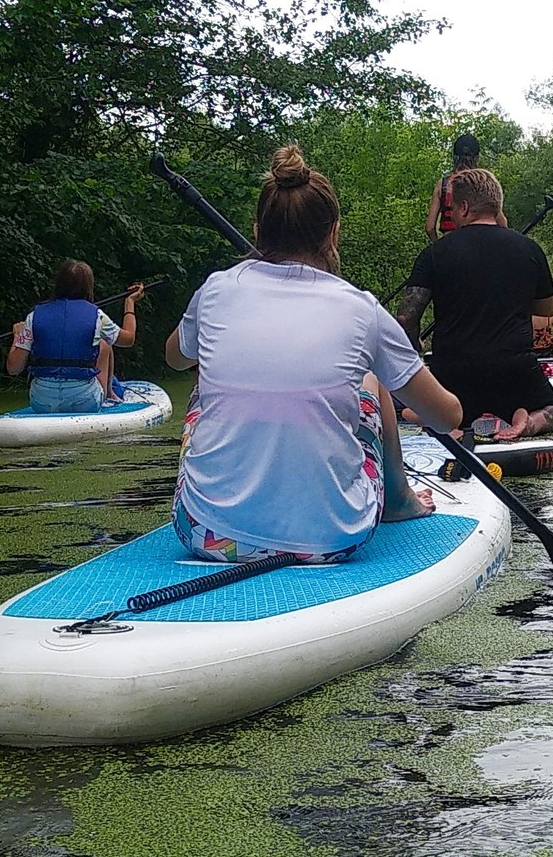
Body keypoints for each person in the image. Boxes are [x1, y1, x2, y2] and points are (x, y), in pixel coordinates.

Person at [163, 145, 464, 563]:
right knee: (371, 380)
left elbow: (175, 358)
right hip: (333, 538)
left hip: (204, 532)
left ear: (257, 231)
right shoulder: (362, 309)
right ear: (333, 233)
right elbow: (447, 417)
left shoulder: (216, 289)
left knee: (203, 387)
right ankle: (398, 501)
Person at [390, 167, 553, 441]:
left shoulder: (434, 254)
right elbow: (546, 309)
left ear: (464, 207)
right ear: (497, 207)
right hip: (514, 370)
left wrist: (415, 347)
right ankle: (528, 421)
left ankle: (448, 424)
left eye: (452, 210)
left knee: (415, 409)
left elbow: (406, 319)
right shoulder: (529, 249)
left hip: (453, 373)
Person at [9, 261, 142, 412]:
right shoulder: (97, 315)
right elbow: (128, 339)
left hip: (42, 402)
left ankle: (109, 393)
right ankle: (108, 395)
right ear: (88, 286)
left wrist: (18, 335)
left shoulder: (33, 316)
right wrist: (130, 302)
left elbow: (13, 368)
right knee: (104, 344)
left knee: (102, 343)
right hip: (84, 401)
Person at [424, 132, 483, 241]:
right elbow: (501, 222)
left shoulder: (442, 184)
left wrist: (439, 246)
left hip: (449, 242)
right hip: (474, 243)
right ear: (476, 157)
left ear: (454, 157)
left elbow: (430, 227)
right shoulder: (482, 184)